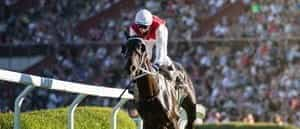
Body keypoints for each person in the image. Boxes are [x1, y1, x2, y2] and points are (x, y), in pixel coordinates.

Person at [127, 9, 175, 80]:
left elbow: (160, 50)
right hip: (147, 38)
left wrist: (157, 65)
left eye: (144, 27)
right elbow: (135, 48)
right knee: (147, 56)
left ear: (150, 24)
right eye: (139, 26)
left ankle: (171, 67)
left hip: (158, 34)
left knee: (163, 57)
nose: (142, 29)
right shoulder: (133, 28)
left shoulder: (159, 27)